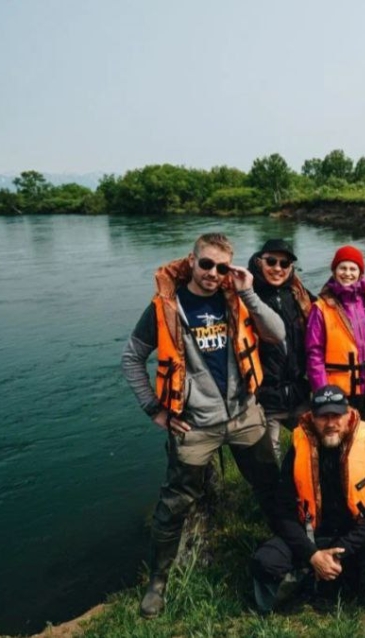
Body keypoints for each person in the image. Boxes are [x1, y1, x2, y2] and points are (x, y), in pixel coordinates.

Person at [121, 232, 287, 618]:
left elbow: (276, 333)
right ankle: (157, 583)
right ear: (192, 261)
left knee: (271, 485)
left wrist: (248, 292)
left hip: (245, 415)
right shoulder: (165, 306)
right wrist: (154, 409)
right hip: (194, 424)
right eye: (207, 264)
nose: (213, 273)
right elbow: (131, 359)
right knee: (174, 503)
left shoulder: (236, 298)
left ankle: (287, 547)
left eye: (222, 267)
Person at [251, 385, 365, 612]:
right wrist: (312, 554)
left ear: (348, 415)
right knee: (265, 561)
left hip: (357, 537)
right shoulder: (298, 449)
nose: (331, 423)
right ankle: (319, 575)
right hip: (312, 537)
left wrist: (342, 550)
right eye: (323, 416)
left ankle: (338, 578)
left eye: (337, 415)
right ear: (312, 418)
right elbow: (282, 514)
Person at [306, 245, 365, 426]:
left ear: (361, 273)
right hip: (340, 393)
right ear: (334, 271)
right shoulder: (321, 307)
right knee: (342, 441)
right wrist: (324, 393)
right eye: (343, 268)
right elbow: (314, 354)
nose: (347, 273)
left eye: (353, 268)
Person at [247, 239, 315, 460]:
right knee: (268, 459)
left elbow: (329, 307)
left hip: (298, 393)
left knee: (312, 448)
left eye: (284, 264)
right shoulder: (245, 295)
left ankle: (305, 492)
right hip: (264, 397)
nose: (278, 268)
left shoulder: (298, 294)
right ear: (259, 262)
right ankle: (276, 495)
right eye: (271, 261)